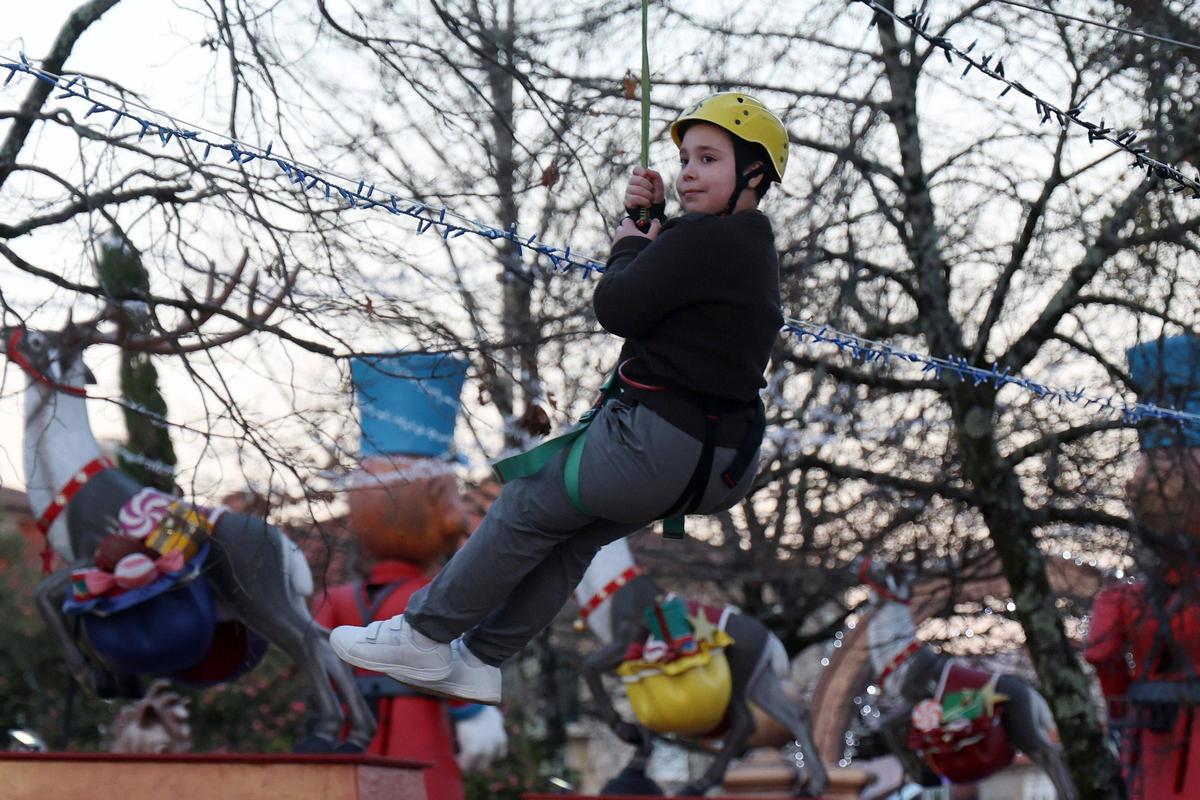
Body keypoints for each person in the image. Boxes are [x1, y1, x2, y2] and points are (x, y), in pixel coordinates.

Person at [329, 92, 788, 704]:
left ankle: (423, 633)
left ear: (754, 175)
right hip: (719, 464)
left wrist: (629, 242)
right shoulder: (749, 249)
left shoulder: (706, 241)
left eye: (709, 159)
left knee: (527, 501)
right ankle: (480, 659)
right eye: (685, 158)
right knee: (573, 536)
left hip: (655, 443)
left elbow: (618, 305)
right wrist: (651, 225)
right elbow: (671, 278)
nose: (687, 173)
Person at [1085, 333, 1200, 799]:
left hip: (1154, 742)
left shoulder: (1127, 600)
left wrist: (1119, 706)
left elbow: (1101, 654)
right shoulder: (1130, 600)